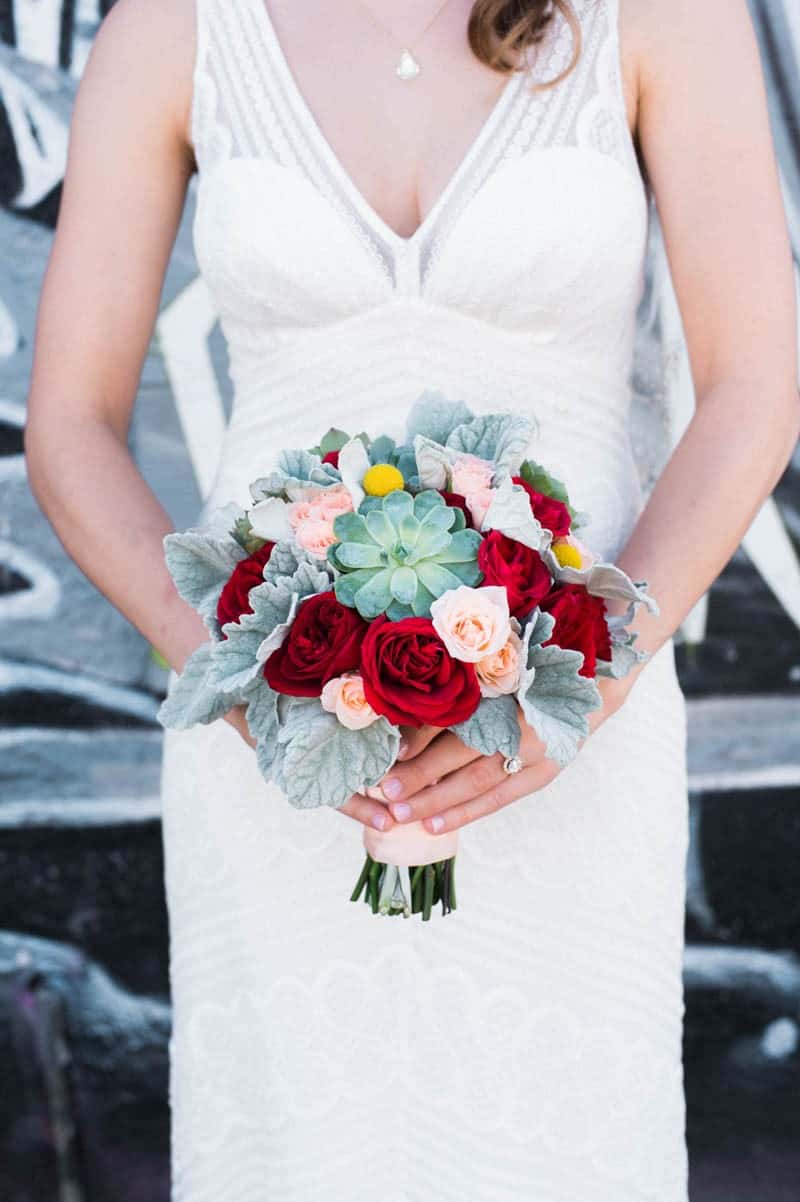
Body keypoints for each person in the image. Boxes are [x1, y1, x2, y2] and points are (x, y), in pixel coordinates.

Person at [24, 0, 799, 1198]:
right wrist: (239, 679)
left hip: (570, 750)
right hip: (274, 760)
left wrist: (586, 679)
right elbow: (69, 421)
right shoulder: (172, 24)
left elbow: (756, 379)